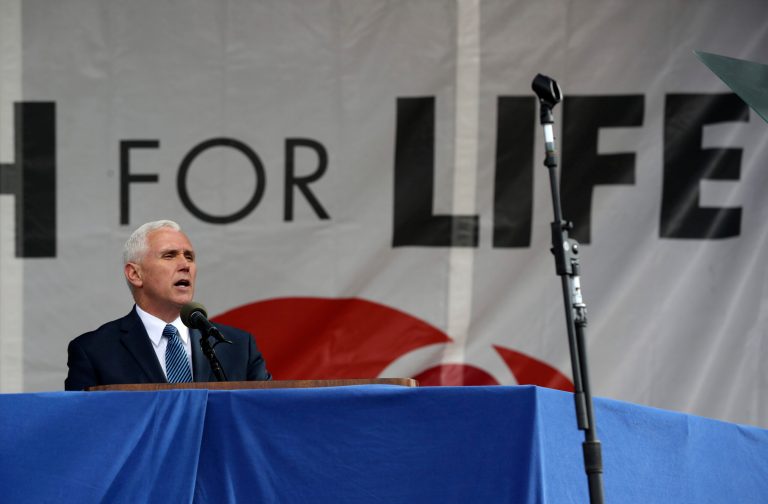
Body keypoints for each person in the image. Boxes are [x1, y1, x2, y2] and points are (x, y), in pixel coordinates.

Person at [65, 220, 271, 390]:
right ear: (135, 274)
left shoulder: (237, 347)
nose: (185, 265)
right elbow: (84, 429)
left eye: (189, 256)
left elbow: (266, 417)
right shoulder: (95, 351)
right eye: (169, 255)